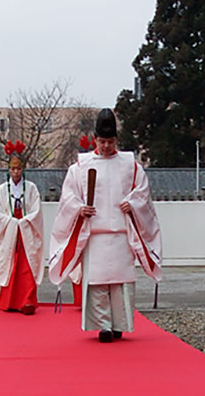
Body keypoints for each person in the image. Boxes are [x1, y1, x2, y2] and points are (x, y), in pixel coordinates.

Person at [48, 108, 161, 342]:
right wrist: (80, 208)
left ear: (116, 140)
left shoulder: (131, 165)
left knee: (121, 284)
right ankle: (103, 326)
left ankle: (120, 323)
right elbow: (68, 196)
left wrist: (132, 203)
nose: (106, 146)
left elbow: (142, 193)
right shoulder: (81, 166)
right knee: (97, 283)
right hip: (95, 233)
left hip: (120, 232)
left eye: (110, 141)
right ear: (95, 140)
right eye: (102, 141)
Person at [0, 142, 44, 313]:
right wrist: (12, 222)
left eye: (18, 169)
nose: (15, 172)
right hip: (10, 231)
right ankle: (10, 301)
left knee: (27, 265)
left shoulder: (31, 188)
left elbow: (36, 210)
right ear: (8, 169)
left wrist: (24, 221)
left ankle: (27, 300)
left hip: (26, 229)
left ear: (23, 169)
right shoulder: (1, 190)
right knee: (10, 265)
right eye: (12, 169)